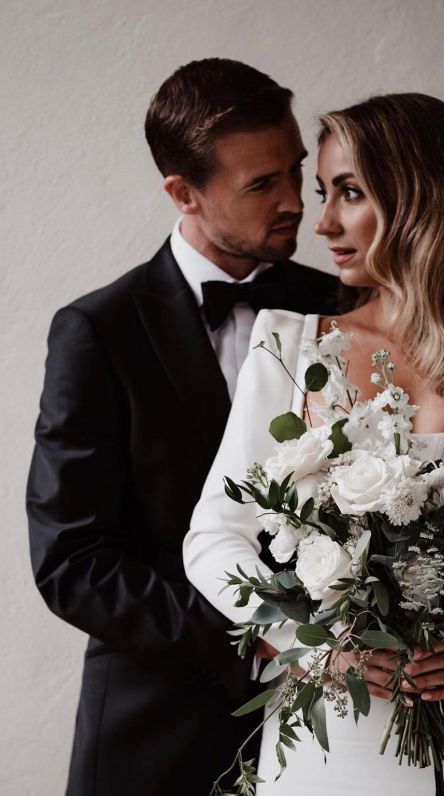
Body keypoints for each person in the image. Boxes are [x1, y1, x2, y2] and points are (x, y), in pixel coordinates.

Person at [183, 94, 444, 795]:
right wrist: (317, 647)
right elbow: (212, 538)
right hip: (332, 732)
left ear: (423, 198)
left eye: (349, 193)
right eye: (324, 193)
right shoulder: (291, 346)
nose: (321, 222)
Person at [26, 58, 340, 796]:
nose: (297, 201)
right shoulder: (98, 331)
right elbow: (72, 560)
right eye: (262, 184)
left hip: (336, 729)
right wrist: (257, 635)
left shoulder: (343, 306)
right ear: (182, 191)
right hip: (157, 738)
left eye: (294, 171)